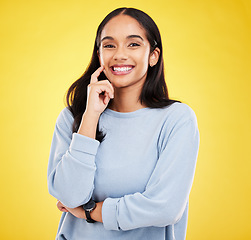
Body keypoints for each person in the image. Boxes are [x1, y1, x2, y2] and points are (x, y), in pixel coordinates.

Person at [47, 7, 200, 240]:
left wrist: (90, 212)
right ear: (99, 55)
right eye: (109, 45)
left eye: (133, 44)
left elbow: (166, 207)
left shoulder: (176, 119)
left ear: (153, 56)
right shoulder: (73, 118)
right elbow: (69, 196)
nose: (119, 55)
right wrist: (90, 116)